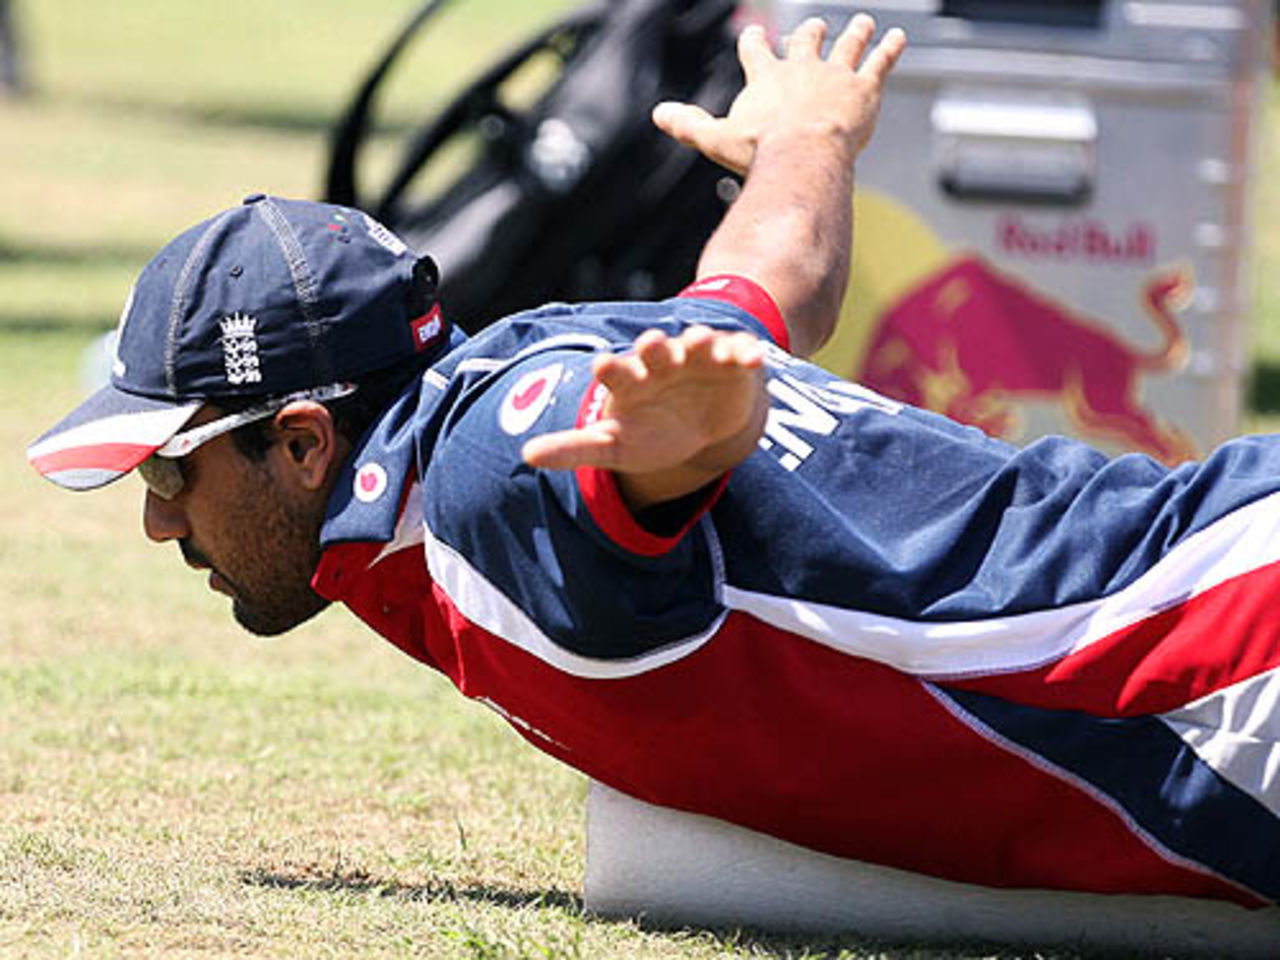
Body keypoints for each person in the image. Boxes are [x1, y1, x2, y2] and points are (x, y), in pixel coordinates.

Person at [26, 14, 1279, 907]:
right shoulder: (547, 344)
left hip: (1221, 674)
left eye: (168, 473)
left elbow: (587, 481)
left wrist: (671, 459)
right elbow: (760, 283)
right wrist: (809, 147)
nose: (157, 525)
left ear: (302, 443)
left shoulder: (488, 484)